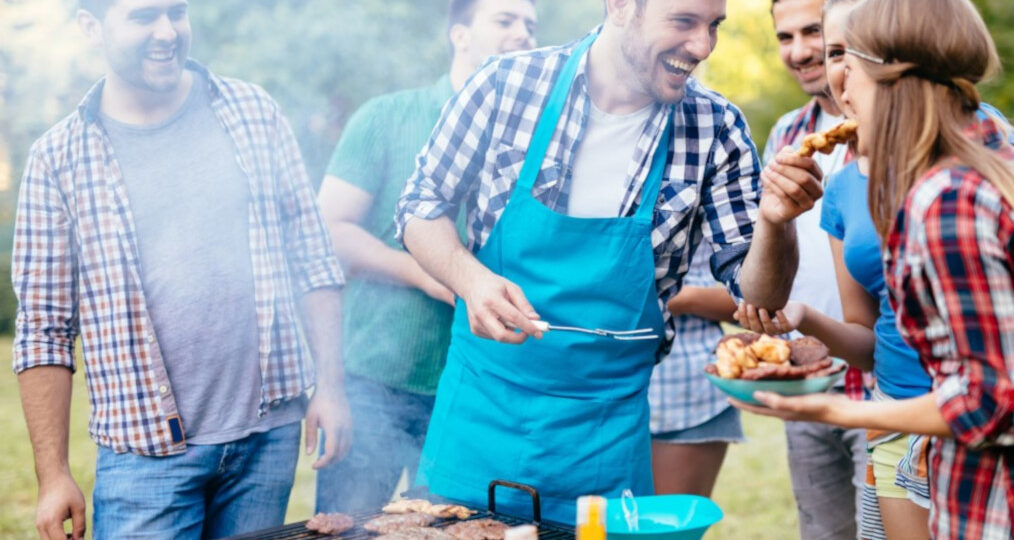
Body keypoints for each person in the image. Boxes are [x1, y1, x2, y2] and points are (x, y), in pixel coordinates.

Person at [733, 0, 1014, 538]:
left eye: (849, 71)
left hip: (1009, 507)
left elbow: (998, 404)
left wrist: (832, 412)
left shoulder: (947, 202)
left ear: (896, 77)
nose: (842, 94)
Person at [396, 0, 818, 524]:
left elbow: (759, 297)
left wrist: (777, 223)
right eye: (684, 21)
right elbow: (420, 205)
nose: (703, 46)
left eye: (714, 26)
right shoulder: (505, 85)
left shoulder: (715, 127)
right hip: (479, 419)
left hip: (603, 441)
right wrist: (472, 280)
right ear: (620, 6)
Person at [11, 0, 351, 538]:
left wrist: (330, 387)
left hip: (268, 438)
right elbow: (44, 331)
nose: (167, 31)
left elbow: (312, 258)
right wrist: (53, 475)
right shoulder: (58, 158)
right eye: (144, 16)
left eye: (177, 11)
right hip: (144, 457)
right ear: (90, 27)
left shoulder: (253, 112)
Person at [314, 0, 538, 514]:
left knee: (457, 528)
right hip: (376, 380)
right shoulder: (386, 117)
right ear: (459, 34)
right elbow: (328, 230)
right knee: (350, 526)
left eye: (530, 25)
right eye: (504, 20)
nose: (523, 34)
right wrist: (426, 272)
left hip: (481, 388)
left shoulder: (536, 142)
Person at [735, 1, 869, 538]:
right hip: (809, 376)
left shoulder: (902, 129)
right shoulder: (787, 135)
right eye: (785, 37)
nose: (801, 51)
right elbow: (768, 274)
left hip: (888, 381)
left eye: (813, 33)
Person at [649, 242, 740, 497]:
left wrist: (678, 297)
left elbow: (760, 299)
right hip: (595, 393)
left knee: (668, 531)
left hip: (686, 397)